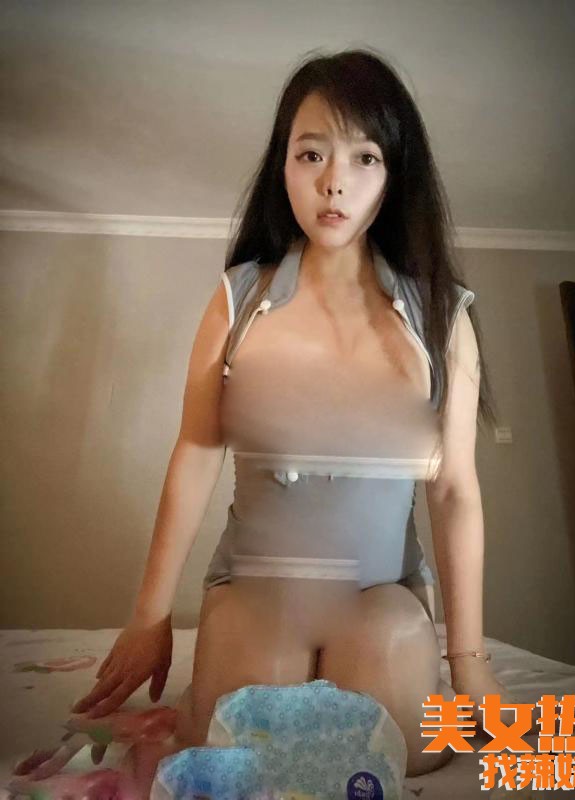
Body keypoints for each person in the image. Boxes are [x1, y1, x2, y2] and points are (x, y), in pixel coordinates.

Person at [70, 48, 514, 792]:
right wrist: (149, 617)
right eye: (311, 154)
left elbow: (453, 490)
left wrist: (470, 665)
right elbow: (196, 451)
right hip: (254, 592)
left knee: (398, 750)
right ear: (282, 165)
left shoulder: (440, 316)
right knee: (246, 747)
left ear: (394, 174)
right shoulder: (239, 300)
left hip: (381, 599)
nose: (334, 181)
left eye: (364, 157)